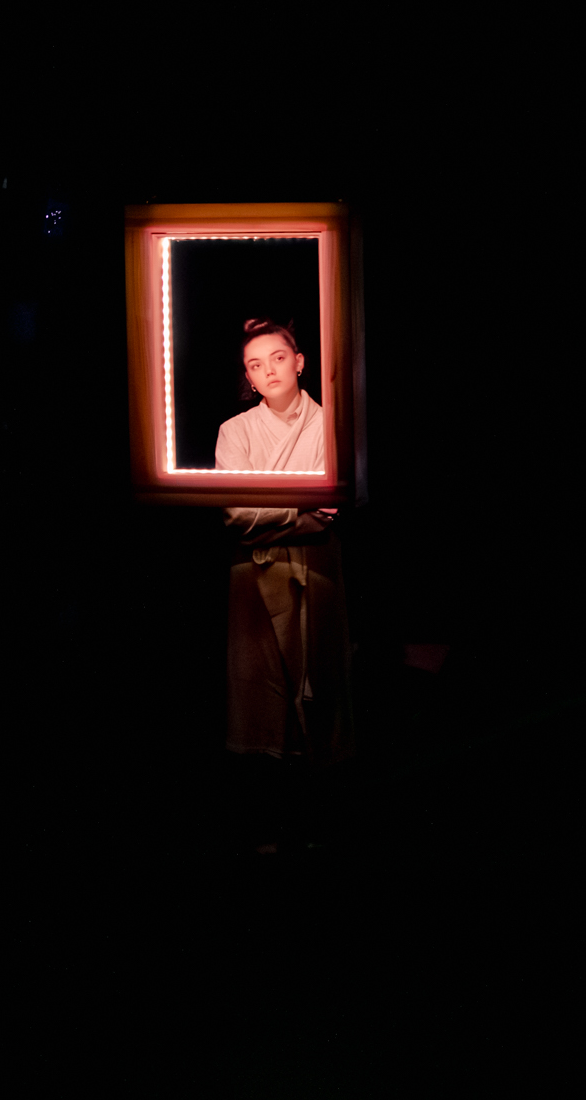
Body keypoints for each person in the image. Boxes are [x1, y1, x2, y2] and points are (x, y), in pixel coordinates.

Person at [217, 317, 353, 855]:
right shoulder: (235, 431)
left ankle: (320, 830)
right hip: (253, 579)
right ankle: (265, 829)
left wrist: (276, 511)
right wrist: (302, 510)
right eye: (255, 364)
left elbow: (334, 505)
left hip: (316, 570)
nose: (268, 370)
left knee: (318, 686)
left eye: (277, 357)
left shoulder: (330, 423)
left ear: (299, 362)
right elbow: (236, 515)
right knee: (261, 696)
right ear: (248, 378)